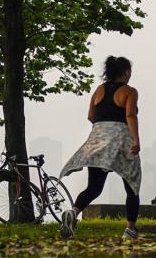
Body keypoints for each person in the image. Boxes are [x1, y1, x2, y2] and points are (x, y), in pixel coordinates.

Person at [59, 55, 142, 239]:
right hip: (121, 141)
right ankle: (130, 229)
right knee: (132, 185)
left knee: (94, 188)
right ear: (126, 73)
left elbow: (91, 116)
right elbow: (130, 116)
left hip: (97, 140)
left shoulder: (99, 90)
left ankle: (73, 213)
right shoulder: (130, 91)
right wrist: (136, 140)